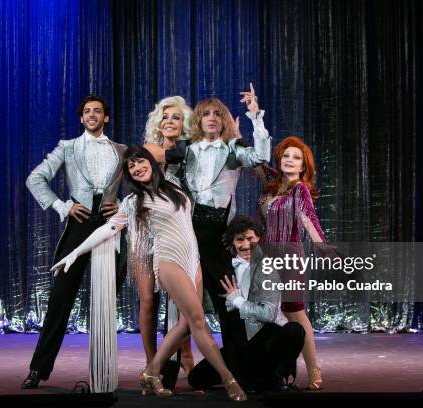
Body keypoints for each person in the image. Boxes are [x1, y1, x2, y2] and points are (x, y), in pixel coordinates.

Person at [51, 146, 248, 402]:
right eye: (131, 167)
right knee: (198, 321)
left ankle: (152, 372)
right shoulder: (134, 202)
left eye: (139, 161)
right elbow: (108, 229)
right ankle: (229, 379)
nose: (136, 168)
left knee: (187, 324)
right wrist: (75, 252)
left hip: (193, 260)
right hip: (168, 261)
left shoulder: (174, 185)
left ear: (151, 163)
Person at [22, 95, 127, 389]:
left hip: (108, 226)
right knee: (60, 298)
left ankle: (103, 374)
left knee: (106, 298)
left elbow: (144, 180)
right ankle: (38, 369)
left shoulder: (121, 150)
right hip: (79, 224)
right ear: (82, 118)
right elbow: (35, 179)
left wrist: (122, 205)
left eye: (98, 111)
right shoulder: (67, 147)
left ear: (106, 117)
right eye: (87, 112)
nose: (92, 115)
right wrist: (62, 206)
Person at [183, 84, 270, 382]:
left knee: (228, 303)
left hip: (217, 234)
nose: (211, 118)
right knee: (184, 307)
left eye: (217, 114)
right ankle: (171, 370)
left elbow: (259, 157)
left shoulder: (233, 150)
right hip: (189, 232)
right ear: (198, 120)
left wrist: (255, 116)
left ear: (224, 121)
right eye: (206, 114)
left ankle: (240, 367)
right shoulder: (188, 150)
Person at [188, 215, 306, 391]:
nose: (245, 245)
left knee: (295, 331)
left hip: (266, 341)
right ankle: (249, 377)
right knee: (196, 379)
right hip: (239, 347)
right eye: (240, 240)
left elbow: (268, 314)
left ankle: (275, 376)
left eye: (250, 238)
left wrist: (238, 300)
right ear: (232, 242)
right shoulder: (226, 268)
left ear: (258, 238)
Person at [256, 136, 325, 390]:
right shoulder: (271, 186)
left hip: (289, 256)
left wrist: (324, 247)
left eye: (296, 158)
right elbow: (256, 160)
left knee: (295, 313)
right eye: (286, 155)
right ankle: (274, 370)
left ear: (303, 167)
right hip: (265, 257)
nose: (290, 160)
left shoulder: (300, 190)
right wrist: (254, 117)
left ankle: (313, 369)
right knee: (269, 316)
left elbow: (309, 220)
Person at [136, 96, 195, 378]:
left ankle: (185, 351)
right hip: (147, 229)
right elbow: (145, 164)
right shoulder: (151, 149)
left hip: (176, 229)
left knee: (181, 298)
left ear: (185, 124)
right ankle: (152, 363)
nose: (169, 122)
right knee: (148, 300)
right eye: (165, 117)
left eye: (176, 118)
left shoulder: (191, 151)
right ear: (158, 122)